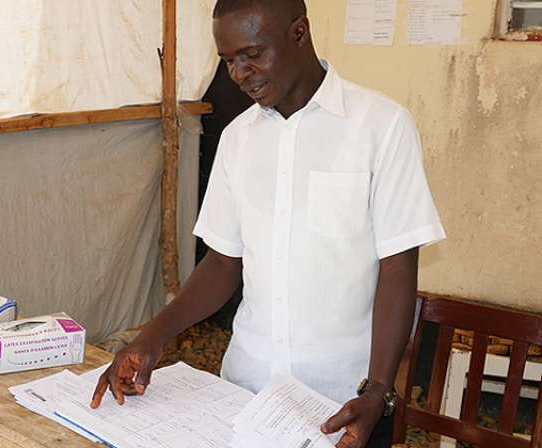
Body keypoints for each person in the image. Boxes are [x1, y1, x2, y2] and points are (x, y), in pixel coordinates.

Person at [91, 0, 445, 447]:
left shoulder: (382, 126)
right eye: (228, 61)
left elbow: (398, 269)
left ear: (299, 34)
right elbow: (222, 263)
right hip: (245, 395)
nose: (239, 74)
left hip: (342, 404)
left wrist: (377, 390)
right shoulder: (239, 138)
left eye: (252, 54)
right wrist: (151, 337)